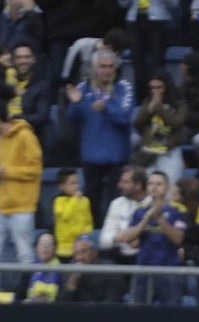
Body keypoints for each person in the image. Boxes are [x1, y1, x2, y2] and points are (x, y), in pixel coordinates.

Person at [0, 99, 43, 294]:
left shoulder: (26, 136)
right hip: (2, 206)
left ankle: (29, 296)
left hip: (23, 207)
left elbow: (35, 169)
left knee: (25, 255)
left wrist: (5, 170)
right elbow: (3, 172)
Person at [65, 49, 134, 225]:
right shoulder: (83, 88)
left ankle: (114, 234)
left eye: (110, 66)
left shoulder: (124, 88)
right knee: (91, 202)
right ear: (94, 68)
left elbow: (124, 117)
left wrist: (106, 107)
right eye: (103, 66)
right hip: (91, 156)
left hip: (116, 156)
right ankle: (92, 234)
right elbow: (72, 119)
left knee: (116, 202)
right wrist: (76, 103)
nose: (107, 70)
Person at [117, 170, 187, 306]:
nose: (154, 187)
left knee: (172, 314)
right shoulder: (140, 211)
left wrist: (159, 218)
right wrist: (146, 219)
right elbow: (128, 239)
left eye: (159, 184)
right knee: (138, 312)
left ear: (167, 187)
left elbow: (178, 239)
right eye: (151, 183)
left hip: (169, 270)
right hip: (143, 269)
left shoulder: (178, 210)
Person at [133, 71, 188, 184]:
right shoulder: (147, 102)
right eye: (152, 88)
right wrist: (148, 111)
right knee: (149, 188)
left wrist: (159, 108)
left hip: (169, 151)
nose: (155, 91)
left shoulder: (179, 103)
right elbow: (138, 125)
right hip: (149, 152)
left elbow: (177, 123)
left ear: (167, 87)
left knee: (169, 186)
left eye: (159, 87)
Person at [99, 165, 149, 267]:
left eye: (126, 182)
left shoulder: (152, 205)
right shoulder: (116, 204)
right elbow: (104, 240)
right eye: (121, 181)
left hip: (145, 256)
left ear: (138, 185)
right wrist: (117, 238)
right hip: (119, 254)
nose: (119, 185)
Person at [59, 233, 123, 302]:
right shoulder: (69, 270)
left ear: (94, 252)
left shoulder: (109, 269)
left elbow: (114, 299)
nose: (79, 257)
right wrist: (72, 283)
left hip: (101, 308)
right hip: (77, 308)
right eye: (76, 253)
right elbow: (62, 303)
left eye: (83, 252)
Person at [52, 168, 92, 262]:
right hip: (64, 250)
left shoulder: (85, 201)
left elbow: (89, 222)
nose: (77, 186)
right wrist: (74, 199)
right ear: (62, 186)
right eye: (73, 183)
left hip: (81, 248)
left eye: (77, 182)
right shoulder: (58, 202)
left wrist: (86, 233)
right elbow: (65, 216)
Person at [24, 230, 61, 302]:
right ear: (36, 248)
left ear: (55, 249)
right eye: (42, 244)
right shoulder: (29, 270)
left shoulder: (63, 270)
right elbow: (20, 296)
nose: (45, 247)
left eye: (49, 244)